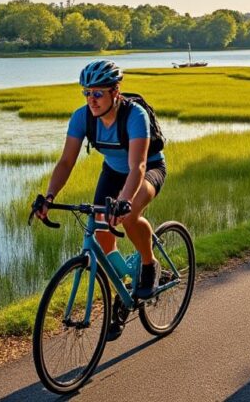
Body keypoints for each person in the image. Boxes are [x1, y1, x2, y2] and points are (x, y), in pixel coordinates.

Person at [34, 60, 166, 339]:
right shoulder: (81, 118)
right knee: (102, 236)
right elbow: (66, 161)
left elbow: (138, 166)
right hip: (112, 172)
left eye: (97, 93)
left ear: (115, 91)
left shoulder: (134, 116)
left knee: (129, 216)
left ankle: (149, 263)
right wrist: (48, 197)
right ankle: (122, 294)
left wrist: (125, 200)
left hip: (147, 169)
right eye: (86, 93)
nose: (91, 99)